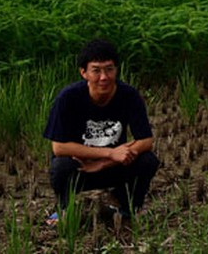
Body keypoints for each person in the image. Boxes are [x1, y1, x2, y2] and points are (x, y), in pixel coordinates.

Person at [43, 39, 159, 223]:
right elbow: (59, 147)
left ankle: (125, 206)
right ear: (84, 73)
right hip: (80, 167)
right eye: (96, 70)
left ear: (116, 70)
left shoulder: (129, 95)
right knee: (60, 166)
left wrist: (106, 162)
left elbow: (146, 140)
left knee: (148, 160)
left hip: (113, 167)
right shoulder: (68, 98)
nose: (103, 77)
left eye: (109, 69)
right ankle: (65, 208)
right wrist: (110, 152)